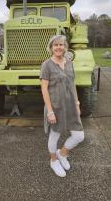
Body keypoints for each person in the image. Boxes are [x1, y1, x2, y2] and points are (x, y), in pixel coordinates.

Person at [40, 35, 84, 177]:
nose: (59, 47)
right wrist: (50, 112)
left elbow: (72, 84)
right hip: (56, 107)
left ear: (65, 47)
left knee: (79, 136)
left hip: (71, 105)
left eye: (61, 44)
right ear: (51, 48)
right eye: (55, 45)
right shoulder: (46, 65)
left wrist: (77, 103)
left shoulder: (69, 62)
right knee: (55, 135)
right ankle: (53, 160)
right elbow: (44, 89)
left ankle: (62, 153)